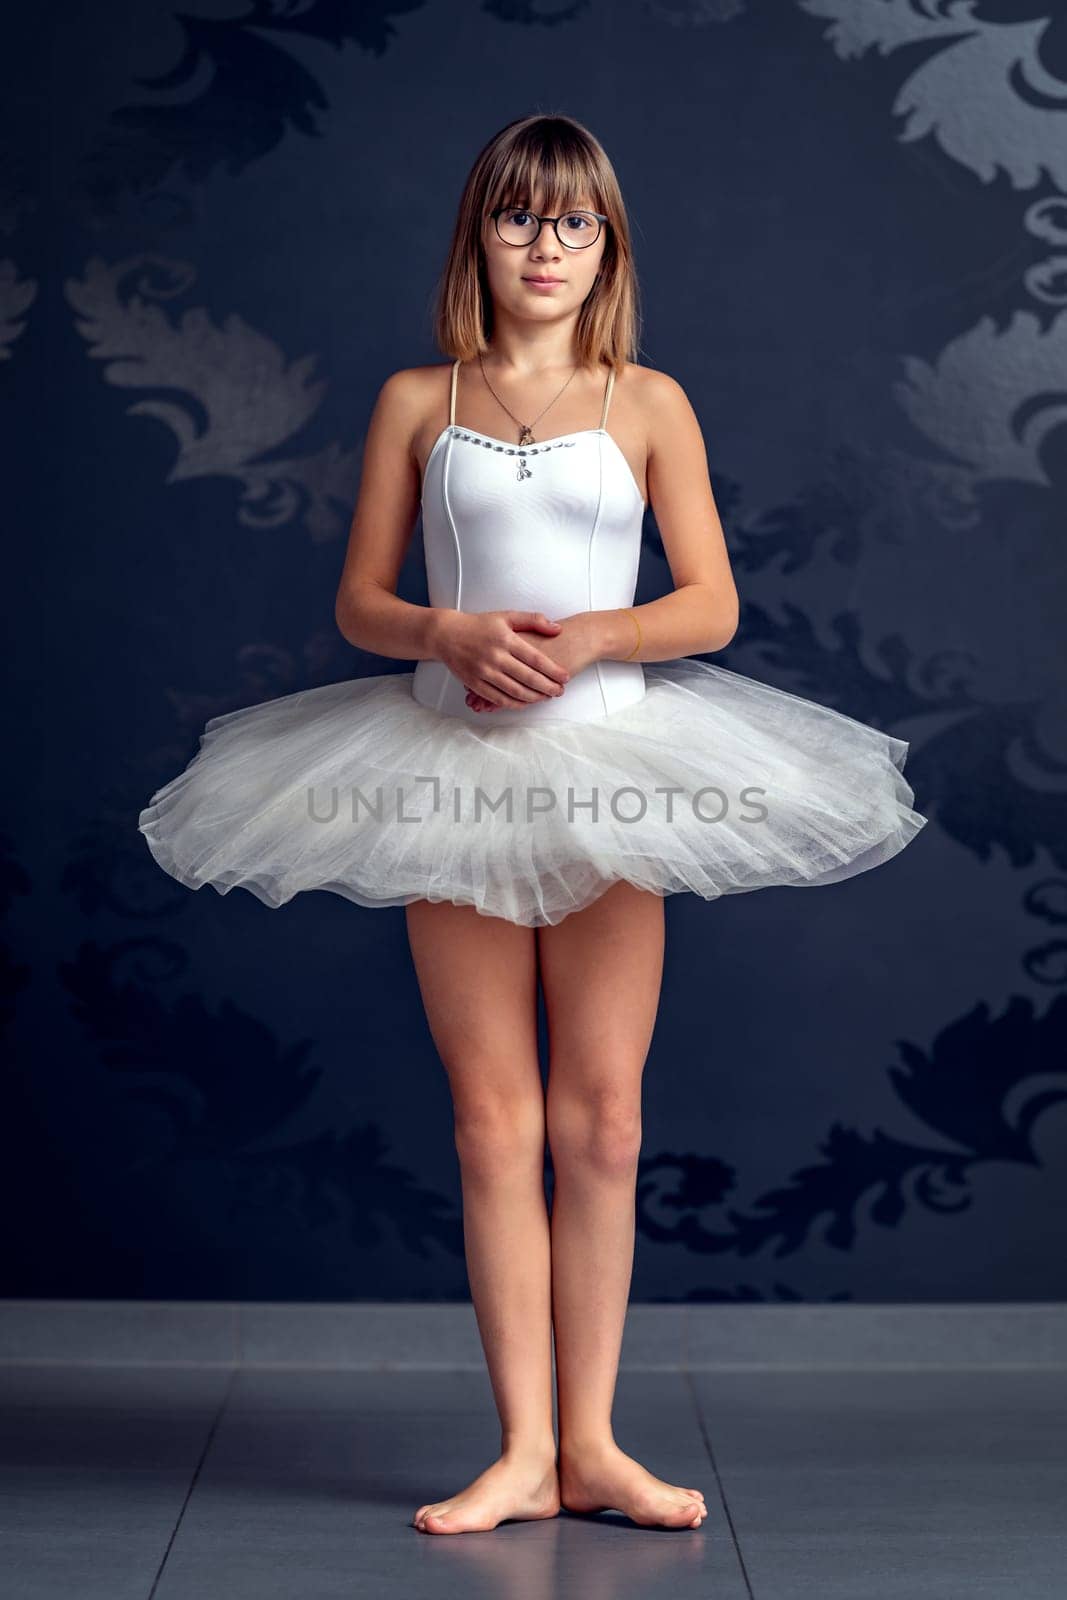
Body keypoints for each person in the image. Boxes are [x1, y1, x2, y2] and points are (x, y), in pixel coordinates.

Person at [138, 112, 926, 1534]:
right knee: (496, 1123)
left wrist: (591, 642)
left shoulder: (645, 401)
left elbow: (713, 604)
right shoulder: (414, 401)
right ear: (478, 239)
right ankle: (518, 1453)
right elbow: (361, 605)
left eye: (572, 224)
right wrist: (445, 629)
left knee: (604, 1121)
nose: (544, 247)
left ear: (607, 243)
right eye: (517, 219)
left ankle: (597, 1445)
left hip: (620, 765)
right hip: (450, 771)